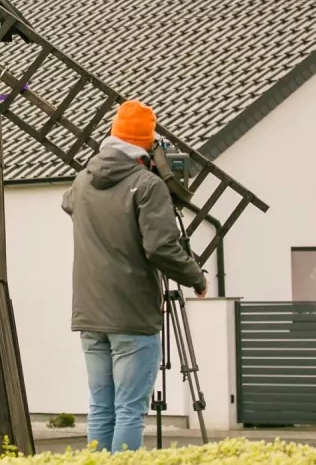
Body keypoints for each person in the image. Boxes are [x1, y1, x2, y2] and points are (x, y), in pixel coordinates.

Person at [61, 99, 208, 452]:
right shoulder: (147, 185)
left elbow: (67, 202)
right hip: (131, 316)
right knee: (128, 410)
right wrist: (196, 277)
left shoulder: (82, 182)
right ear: (148, 142)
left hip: (90, 315)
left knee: (101, 407)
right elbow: (161, 248)